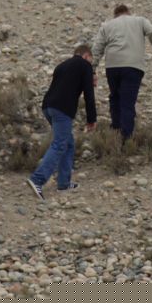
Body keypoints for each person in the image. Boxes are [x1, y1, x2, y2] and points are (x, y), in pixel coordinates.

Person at [26, 45, 97, 201]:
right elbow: (89, 95)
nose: (90, 64)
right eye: (90, 60)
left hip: (48, 107)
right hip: (62, 109)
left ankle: (64, 183)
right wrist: (91, 119)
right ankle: (37, 179)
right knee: (59, 144)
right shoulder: (85, 66)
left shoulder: (62, 65)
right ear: (86, 56)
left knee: (68, 143)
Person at [91, 4, 152, 143]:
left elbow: (97, 48)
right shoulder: (140, 21)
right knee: (127, 102)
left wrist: (92, 69)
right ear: (128, 12)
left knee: (115, 97)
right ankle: (126, 138)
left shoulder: (107, 25)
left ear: (115, 15)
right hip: (133, 66)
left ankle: (115, 129)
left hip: (112, 66)